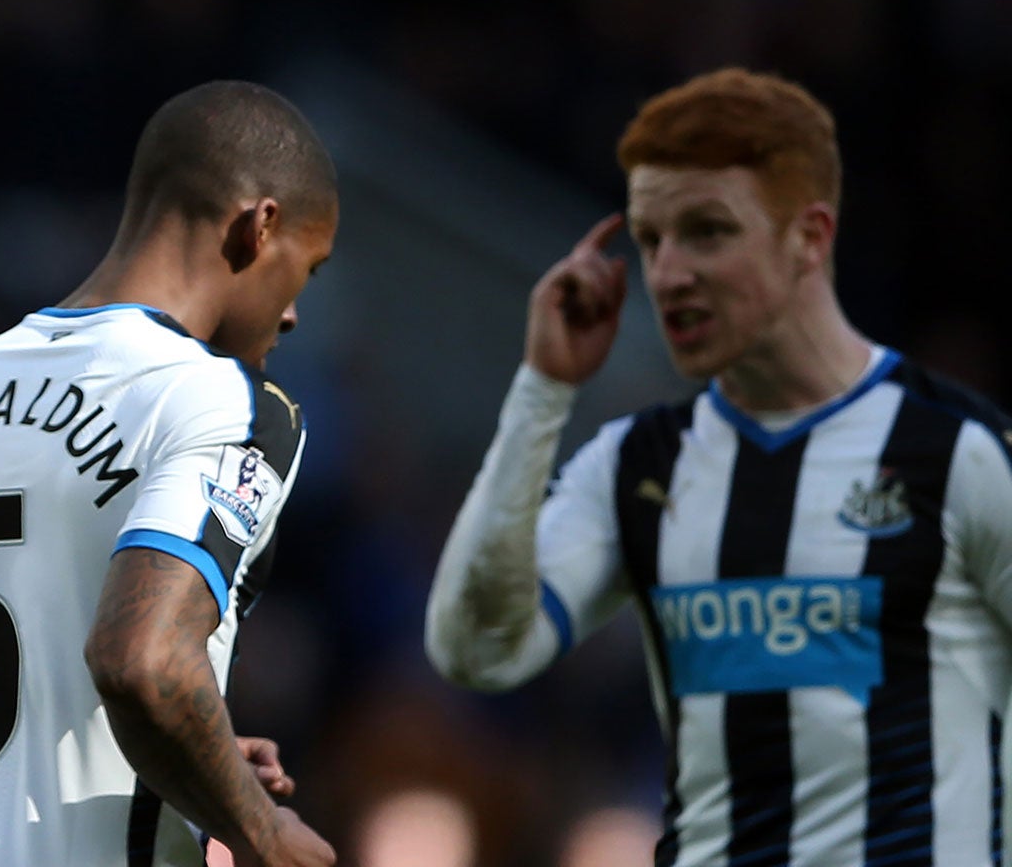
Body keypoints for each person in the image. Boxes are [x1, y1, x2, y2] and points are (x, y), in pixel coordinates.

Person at [426, 67, 1012, 864]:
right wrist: (542, 391)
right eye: (651, 239)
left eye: (707, 232)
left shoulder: (963, 450)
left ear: (809, 237)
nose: (668, 274)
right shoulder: (636, 465)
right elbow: (476, 647)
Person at [0, 80, 342, 867]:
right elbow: (144, 663)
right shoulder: (228, 402)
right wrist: (263, 830)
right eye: (308, 270)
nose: (292, 314)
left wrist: (193, 770)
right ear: (260, 228)